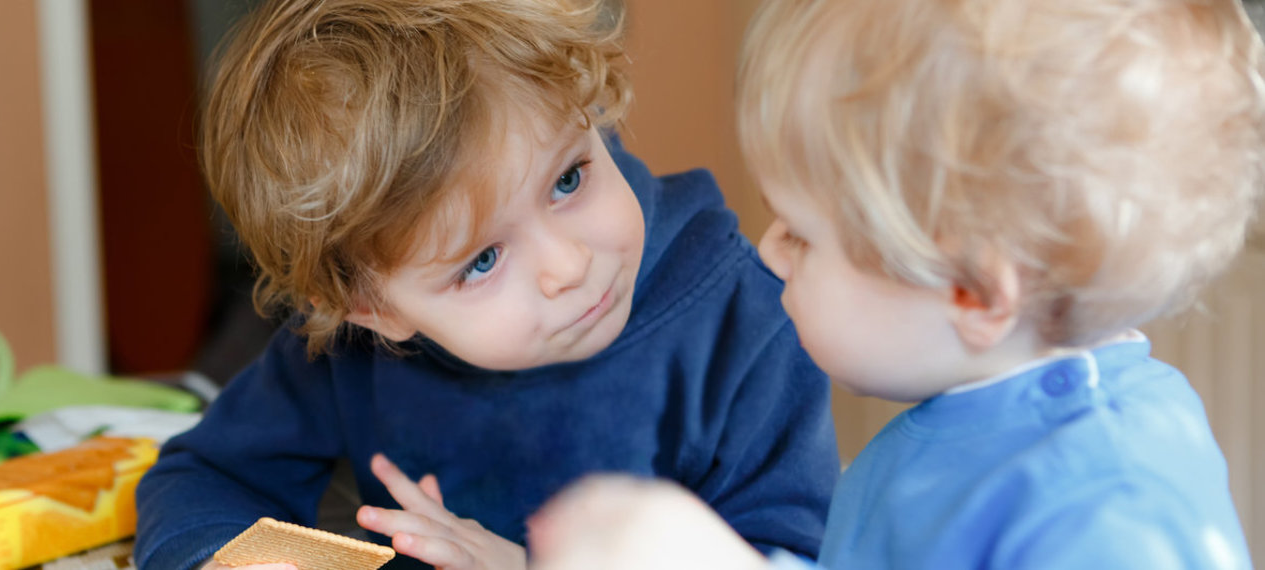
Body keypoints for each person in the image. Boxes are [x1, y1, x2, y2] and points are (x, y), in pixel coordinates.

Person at [526, 0, 1265, 568]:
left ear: (972, 293)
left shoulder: (1105, 508)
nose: (772, 254)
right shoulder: (965, 421)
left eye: (802, 235)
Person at [131, 0, 841, 569]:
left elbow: (794, 555)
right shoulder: (354, 354)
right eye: (481, 262)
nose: (567, 268)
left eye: (568, 180)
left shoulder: (743, 319)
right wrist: (228, 560)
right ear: (372, 309)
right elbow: (201, 480)